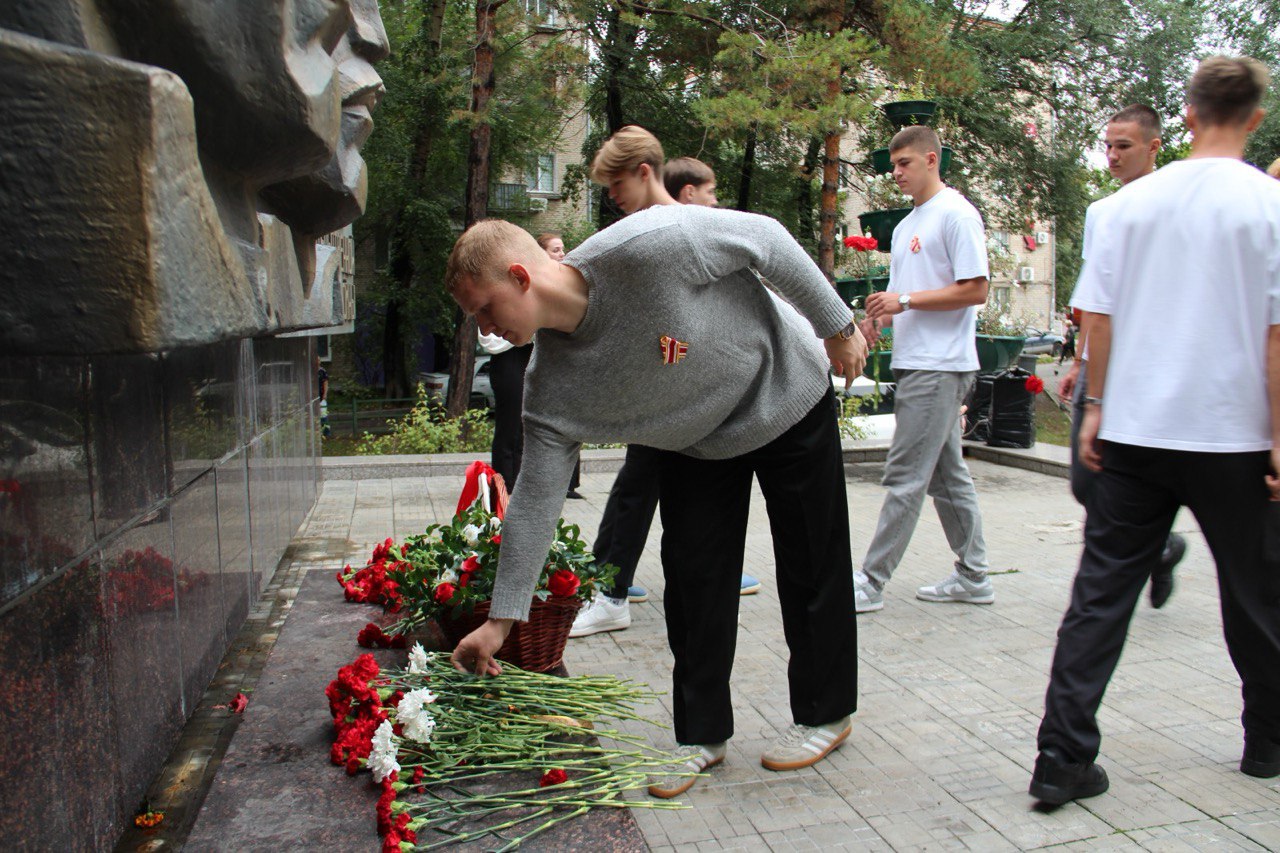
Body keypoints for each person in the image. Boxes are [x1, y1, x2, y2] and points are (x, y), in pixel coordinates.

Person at [444, 151, 868, 797]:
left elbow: (767, 238)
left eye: (484, 309)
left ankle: (825, 713)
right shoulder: (549, 389)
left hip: (784, 389)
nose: (485, 328)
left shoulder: (648, 245)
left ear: (521, 276)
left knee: (812, 560)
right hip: (696, 441)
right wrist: (501, 620)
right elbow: (534, 499)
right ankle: (701, 737)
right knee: (694, 583)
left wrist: (836, 325)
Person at [1030, 56, 1280, 806]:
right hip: (1234, 436)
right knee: (1258, 594)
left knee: (1100, 595)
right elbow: (1275, 337)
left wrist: (1096, 407)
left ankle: (1061, 757)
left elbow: (1098, 318)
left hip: (1135, 433)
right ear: (1256, 118)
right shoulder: (1269, 205)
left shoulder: (1126, 208)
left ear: (1189, 116)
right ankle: (1266, 741)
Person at [569, 143, 760, 640]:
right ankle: (610, 586)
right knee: (643, 488)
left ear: (645, 173)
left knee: (647, 489)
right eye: (710, 191)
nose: (613, 196)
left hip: (689, 389)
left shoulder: (687, 231)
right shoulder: (648, 233)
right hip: (674, 387)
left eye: (617, 185)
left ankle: (613, 591)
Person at [854, 124, 993, 613]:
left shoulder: (956, 214)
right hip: (917, 363)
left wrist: (905, 300)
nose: (896, 173)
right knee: (945, 477)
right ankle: (974, 577)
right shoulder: (907, 225)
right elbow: (902, 297)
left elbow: (976, 289)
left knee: (906, 475)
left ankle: (870, 582)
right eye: (893, 165)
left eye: (904, 163)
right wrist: (879, 320)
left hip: (940, 366)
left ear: (932, 160)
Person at [1059, 105, 1188, 609]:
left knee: (1133, 473)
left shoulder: (1174, 205)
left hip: (1150, 363)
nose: (1112, 156)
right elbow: (1095, 298)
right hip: (1102, 360)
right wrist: (1079, 362)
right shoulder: (1103, 211)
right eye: (1108, 146)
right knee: (1084, 478)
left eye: (1124, 146)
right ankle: (1162, 547)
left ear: (1154, 147)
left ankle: (1125, 566)